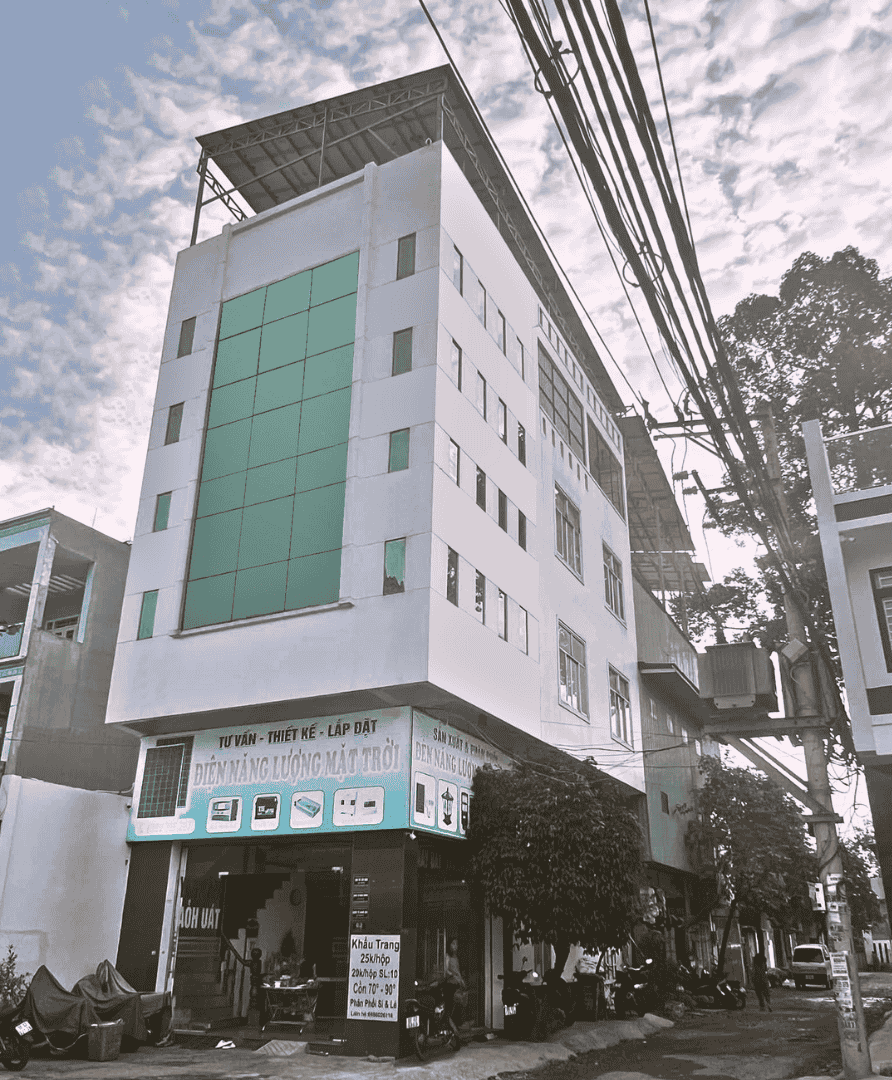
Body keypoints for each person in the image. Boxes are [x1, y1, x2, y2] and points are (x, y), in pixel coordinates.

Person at [444, 938, 466, 1027]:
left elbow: (458, 971)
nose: (455, 946)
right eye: (453, 944)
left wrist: (461, 980)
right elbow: (446, 970)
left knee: (459, 1003)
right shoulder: (447, 956)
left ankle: (458, 1024)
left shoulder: (456, 958)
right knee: (450, 1005)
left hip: (457, 983)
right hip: (451, 984)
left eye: (456, 944)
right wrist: (453, 975)